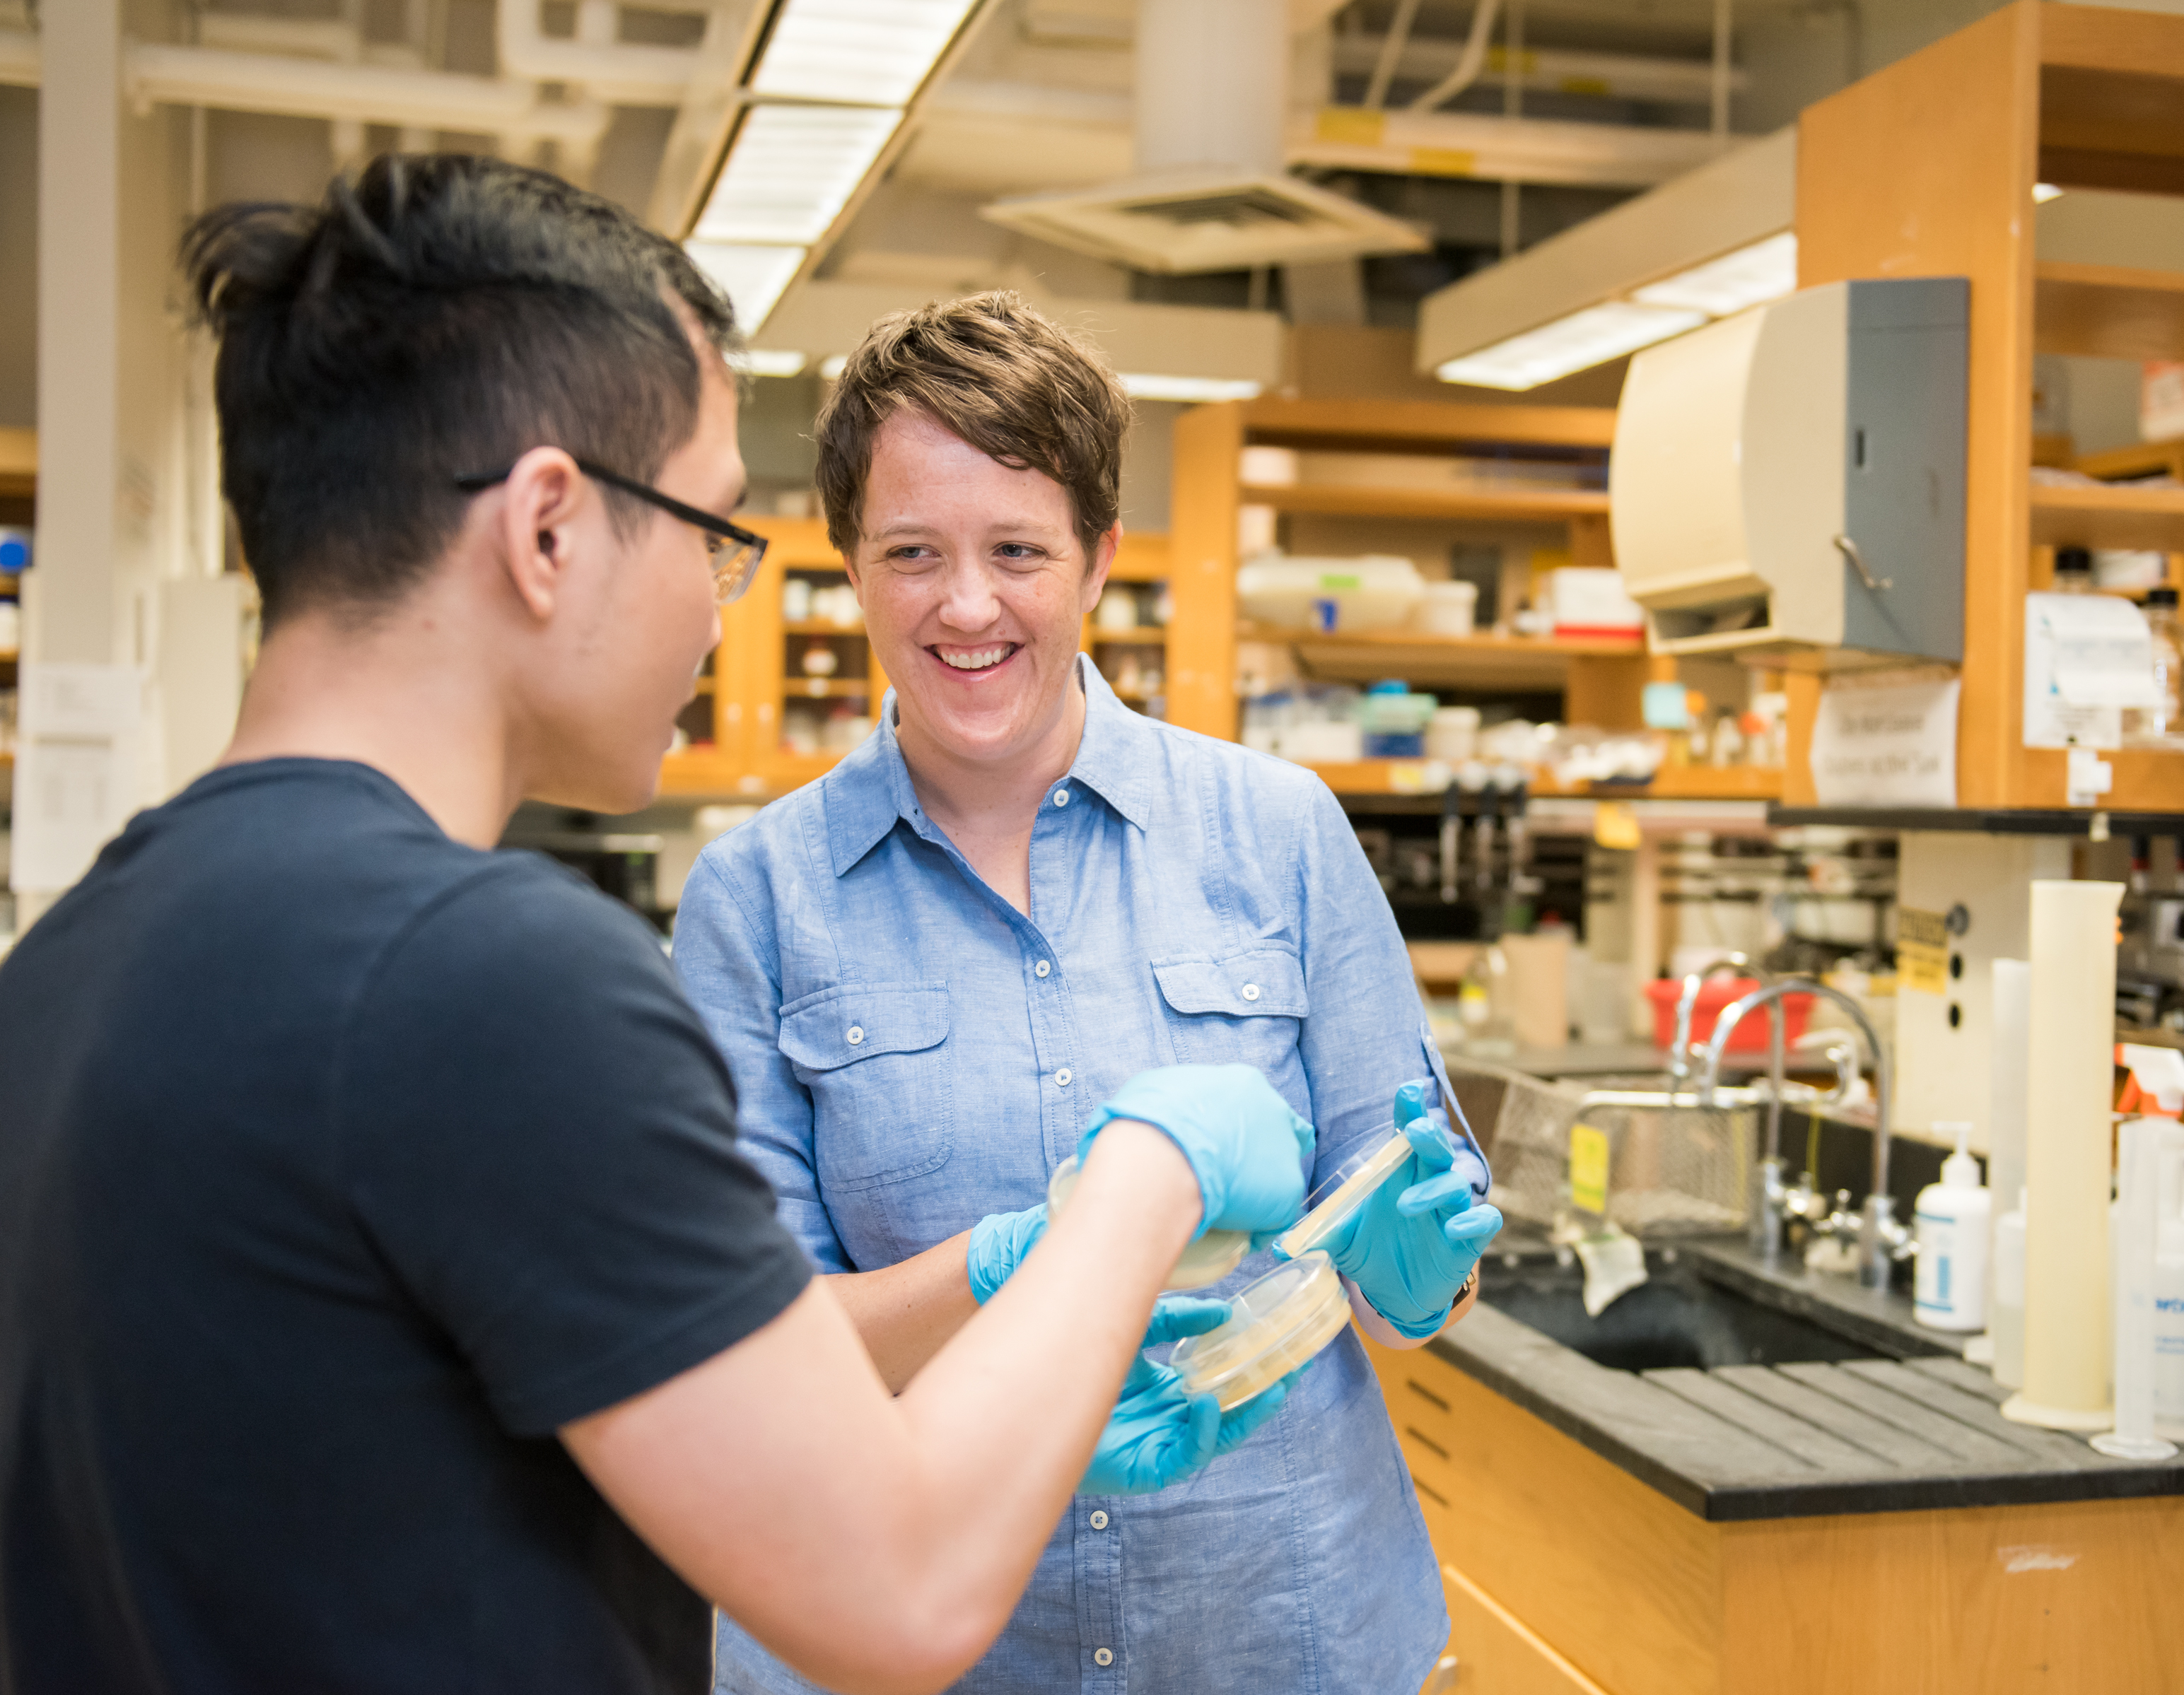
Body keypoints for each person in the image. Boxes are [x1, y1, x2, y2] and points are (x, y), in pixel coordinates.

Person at [0, 157, 1315, 1695]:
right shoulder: (489, 980)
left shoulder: (67, 962)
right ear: (548, 528)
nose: (713, 604)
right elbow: (901, 1586)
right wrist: (1143, 1181)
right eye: (709, 525)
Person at [676, 291, 1506, 1695]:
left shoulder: (1279, 832)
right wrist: (1015, 1262)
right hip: (926, 1652)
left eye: (1018, 549)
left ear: (1099, 555)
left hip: (1276, 1639)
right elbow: (753, 1356)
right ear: (852, 564)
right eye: (913, 552)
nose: (967, 604)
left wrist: (1423, 1275)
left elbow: (1404, 1246)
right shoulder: (757, 900)